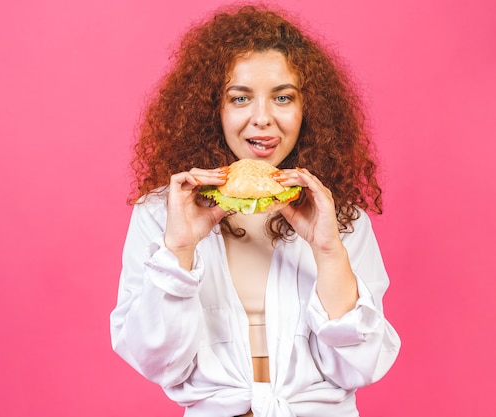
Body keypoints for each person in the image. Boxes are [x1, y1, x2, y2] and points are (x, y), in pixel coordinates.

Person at [110, 4, 400, 417]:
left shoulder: (339, 218)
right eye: (240, 98)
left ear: (308, 110)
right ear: (214, 110)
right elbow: (156, 361)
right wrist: (178, 248)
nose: (262, 119)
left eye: (283, 97)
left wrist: (328, 251)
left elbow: (362, 365)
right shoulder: (163, 213)